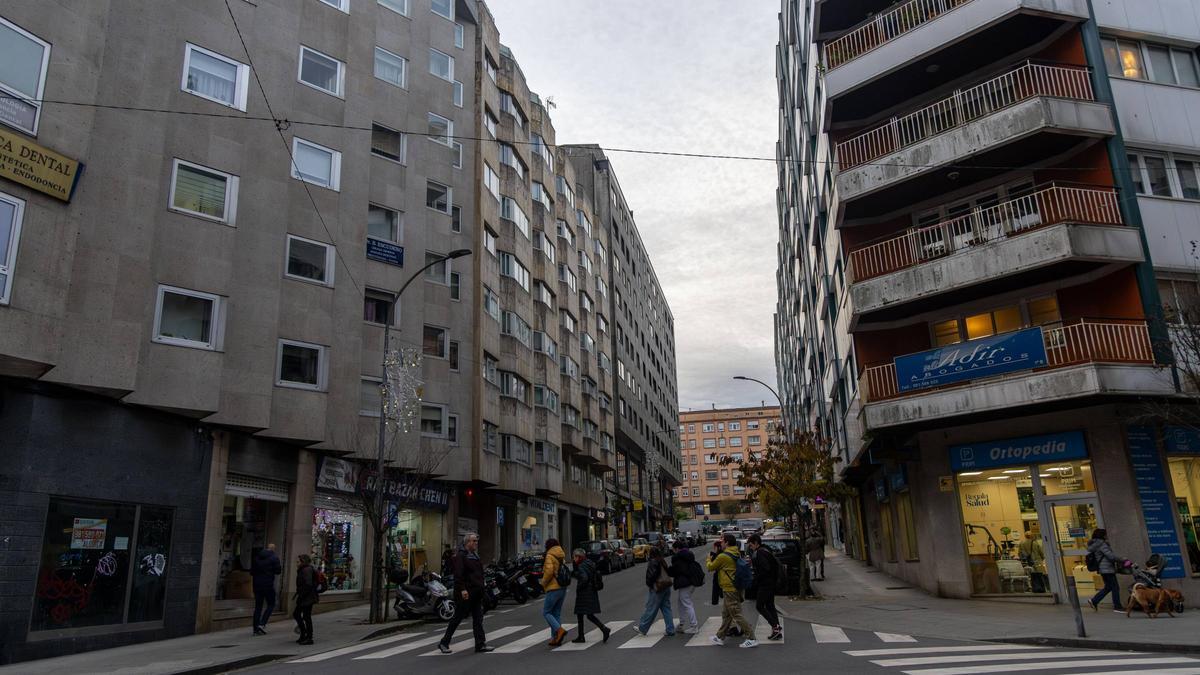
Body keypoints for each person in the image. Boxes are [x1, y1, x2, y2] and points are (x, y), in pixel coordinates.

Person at [438, 533, 494, 653]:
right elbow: (459, 574)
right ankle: (444, 642)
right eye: (474, 541)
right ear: (467, 542)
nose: (476, 543)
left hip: (477, 591)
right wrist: (462, 589)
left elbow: (478, 573)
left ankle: (480, 644)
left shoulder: (474, 555)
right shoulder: (461, 555)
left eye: (476, 541)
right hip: (466, 592)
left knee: (478, 619)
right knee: (457, 618)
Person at [706, 533, 756, 648]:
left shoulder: (723, 556)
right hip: (734, 587)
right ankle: (719, 637)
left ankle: (752, 638)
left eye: (722, 541)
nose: (721, 543)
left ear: (727, 543)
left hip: (729, 588)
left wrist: (708, 559)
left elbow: (710, 567)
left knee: (736, 614)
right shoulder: (736, 552)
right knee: (727, 614)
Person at [570, 548, 611, 644]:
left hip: (584, 593)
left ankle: (583, 636)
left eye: (574, 557)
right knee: (588, 615)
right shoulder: (589, 563)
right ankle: (602, 630)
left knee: (582, 614)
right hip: (591, 591)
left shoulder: (581, 566)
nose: (573, 559)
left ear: (579, 557)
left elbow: (584, 578)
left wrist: (579, 587)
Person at [748, 534, 783, 641]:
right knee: (770, 606)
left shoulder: (759, 553)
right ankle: (776, 630)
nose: (750, 547)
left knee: (759, 606)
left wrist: (756, 579)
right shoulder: (766, 550)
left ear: (755, 543)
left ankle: (775, 627)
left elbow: (765, 568)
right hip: (772, 582)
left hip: (765, 584)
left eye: (751, 544)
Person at [634, 547, 676, 637]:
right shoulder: (662, 560)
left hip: (658, 587)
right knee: (666, 608)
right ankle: (670, 629)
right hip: (666, 586)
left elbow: (652, 575)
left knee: (651, 608)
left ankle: (642, 628)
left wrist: (649, 584)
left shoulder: (653, 562)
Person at [1086, 528, 1126, 612]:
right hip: (1107, 569)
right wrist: (1122, 559)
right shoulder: (1102, 544)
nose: (1107, 536)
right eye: (1105, 534)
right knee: (1115, 587)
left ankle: (1094, 601)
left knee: (1108, 587)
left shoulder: (1095, 544)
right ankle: (1117, 606)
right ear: (1103, 535)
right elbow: (1110, 556)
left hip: (1102, 569)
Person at [541, 538, 569, 647]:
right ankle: (555, 638)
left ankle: (559, 630)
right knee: (556, 612)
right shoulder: (560, 554)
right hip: (562, 587)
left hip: (553, 587)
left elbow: (549, 571)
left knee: (546, 612)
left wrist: (543, 583)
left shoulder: (549, 555)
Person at [668, 539, 700, 634]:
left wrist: (668, 569)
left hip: (684, 583)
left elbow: (675, 571)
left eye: (673, 549)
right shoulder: (688, 555)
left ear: (677, 549)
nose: (672, 551)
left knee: (686, 603)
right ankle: (681, 624)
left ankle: (694, 626)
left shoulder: (678, 558)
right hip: (691, 582)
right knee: (681, 602)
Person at [251, 543, 282, 636]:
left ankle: (255, 629)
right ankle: (262, 623)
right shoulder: (274, 558)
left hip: (257, 584)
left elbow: (252, 571)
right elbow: (278, 571)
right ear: (273, 549)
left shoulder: (257, 557)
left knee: (258, 607)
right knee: (271, 603)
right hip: (268, 584)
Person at [293, 554, 318, 645]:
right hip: (306, 596)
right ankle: (304, 634)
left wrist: (302, 594)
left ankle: (308, 637)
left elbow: (308, 584)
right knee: (299, 615)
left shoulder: (306, 570)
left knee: (305, 616)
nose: (296, 563)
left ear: (303, 562)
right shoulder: (304, 569)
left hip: (307, 597)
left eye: (298, 562)